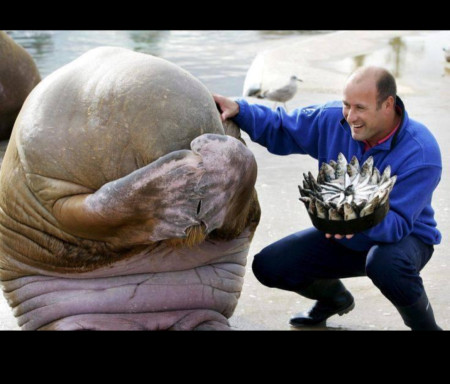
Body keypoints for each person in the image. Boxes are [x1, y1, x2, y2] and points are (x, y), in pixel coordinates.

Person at [213, 65, 443, 330]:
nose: (350, 116)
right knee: (269, 265)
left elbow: (399, 223)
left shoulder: (422, 152)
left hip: (406, 239)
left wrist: (356, 220)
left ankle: (427, 327)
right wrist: (240, 109)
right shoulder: (333, 119)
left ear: (387, 104)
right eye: (347, 105)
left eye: (360, 108)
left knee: (385, 264)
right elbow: (282, 126)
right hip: (343, 230)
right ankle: (335, 299)